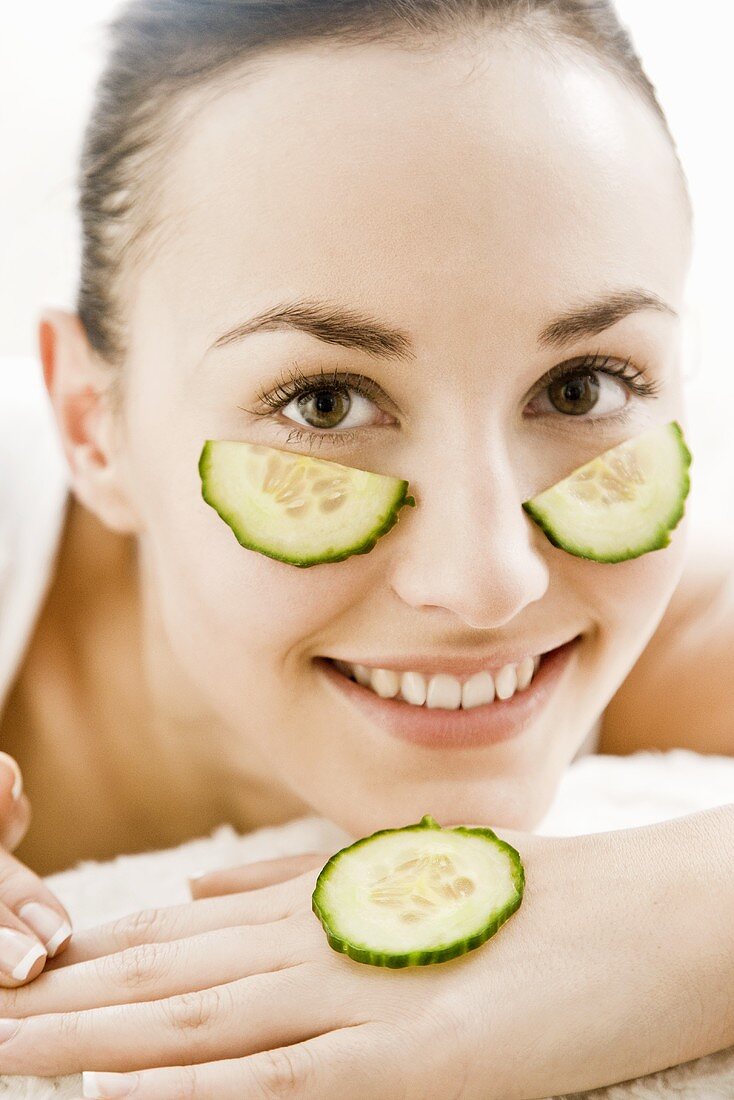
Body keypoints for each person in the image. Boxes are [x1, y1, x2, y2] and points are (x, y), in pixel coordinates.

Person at [0, 1, 732, 1096]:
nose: (489, 581)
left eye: (581, 385)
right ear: (91, 426)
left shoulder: (682, 634)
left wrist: (673, 926)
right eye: (327, 402)